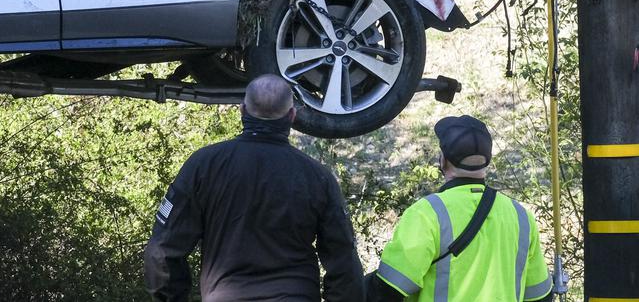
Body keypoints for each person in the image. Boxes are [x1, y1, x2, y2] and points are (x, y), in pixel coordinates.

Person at [144, 74, 365, 301]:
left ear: (242, 111)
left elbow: (162, 251)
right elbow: (344, 261)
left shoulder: (203, 166)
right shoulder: (318, 177)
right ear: (291, 116)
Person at [369, 115, 554, 302]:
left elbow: (389, 289)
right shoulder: (521, 217)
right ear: (486, 161)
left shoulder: (426, 213)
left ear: (443, 160)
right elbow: (540, 296)